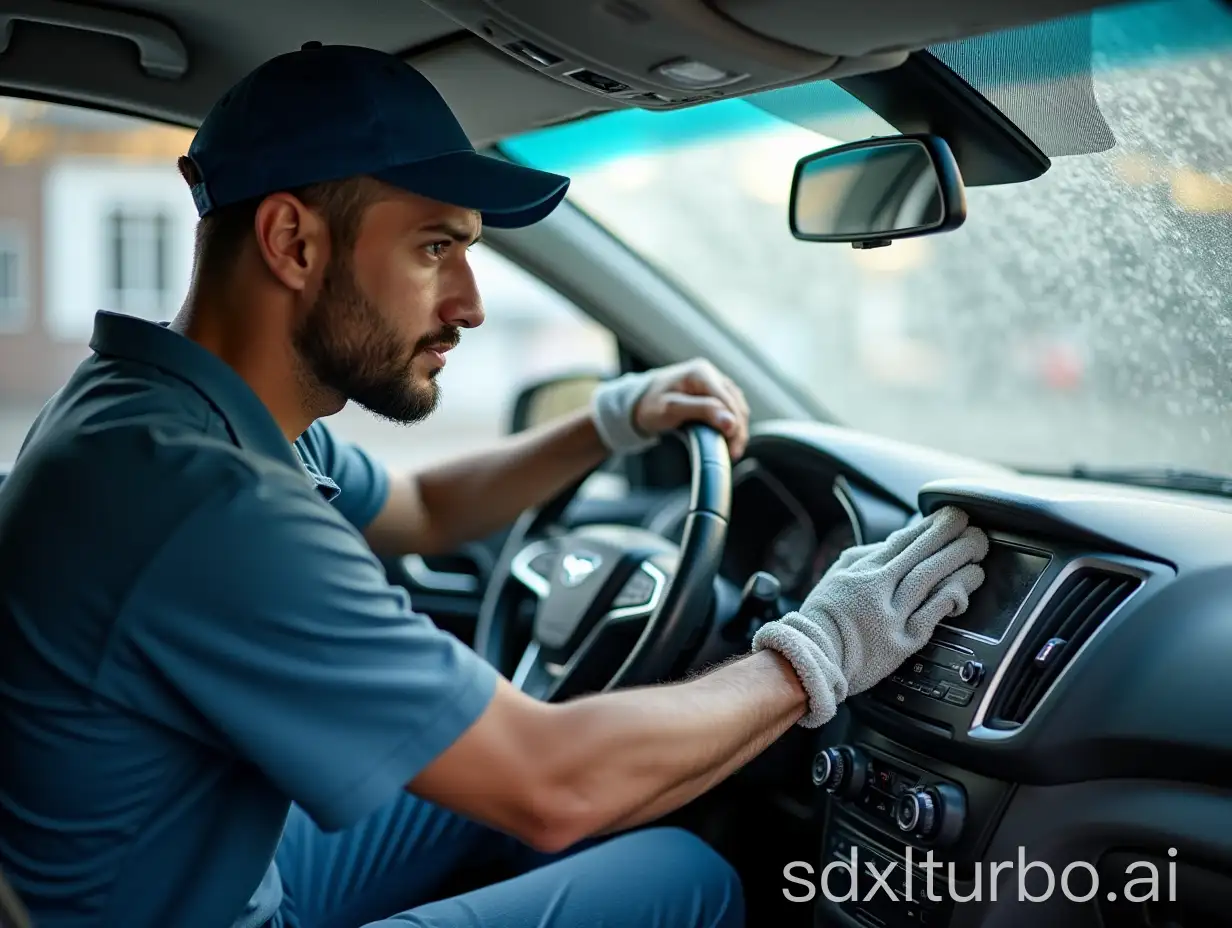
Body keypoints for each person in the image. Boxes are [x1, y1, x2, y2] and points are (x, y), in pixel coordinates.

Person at [0, 43, 990, 928]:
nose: (470, 304)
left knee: (480, 800)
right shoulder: (211, 504)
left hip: (202, 868)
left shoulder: (162, 410)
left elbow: (423, 509)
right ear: (293, 243)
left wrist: (609, 419)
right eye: (436, 247)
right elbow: (551, 782)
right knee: (684, 874)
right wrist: (818, 650)